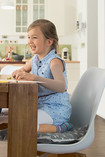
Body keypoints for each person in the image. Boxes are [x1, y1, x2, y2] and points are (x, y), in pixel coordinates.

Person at [12, 19, 72, 133]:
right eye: (28, 37)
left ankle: (61, 128)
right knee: (19, 119)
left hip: (56, 109)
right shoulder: (34, 59)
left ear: (49, 42)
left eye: (34, 37)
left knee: (26, 123)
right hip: (40, 105)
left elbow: (61, 86)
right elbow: (23, 69)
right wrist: (18, 72)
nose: (30, 41)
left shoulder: (54, 62)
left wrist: (34, 78)